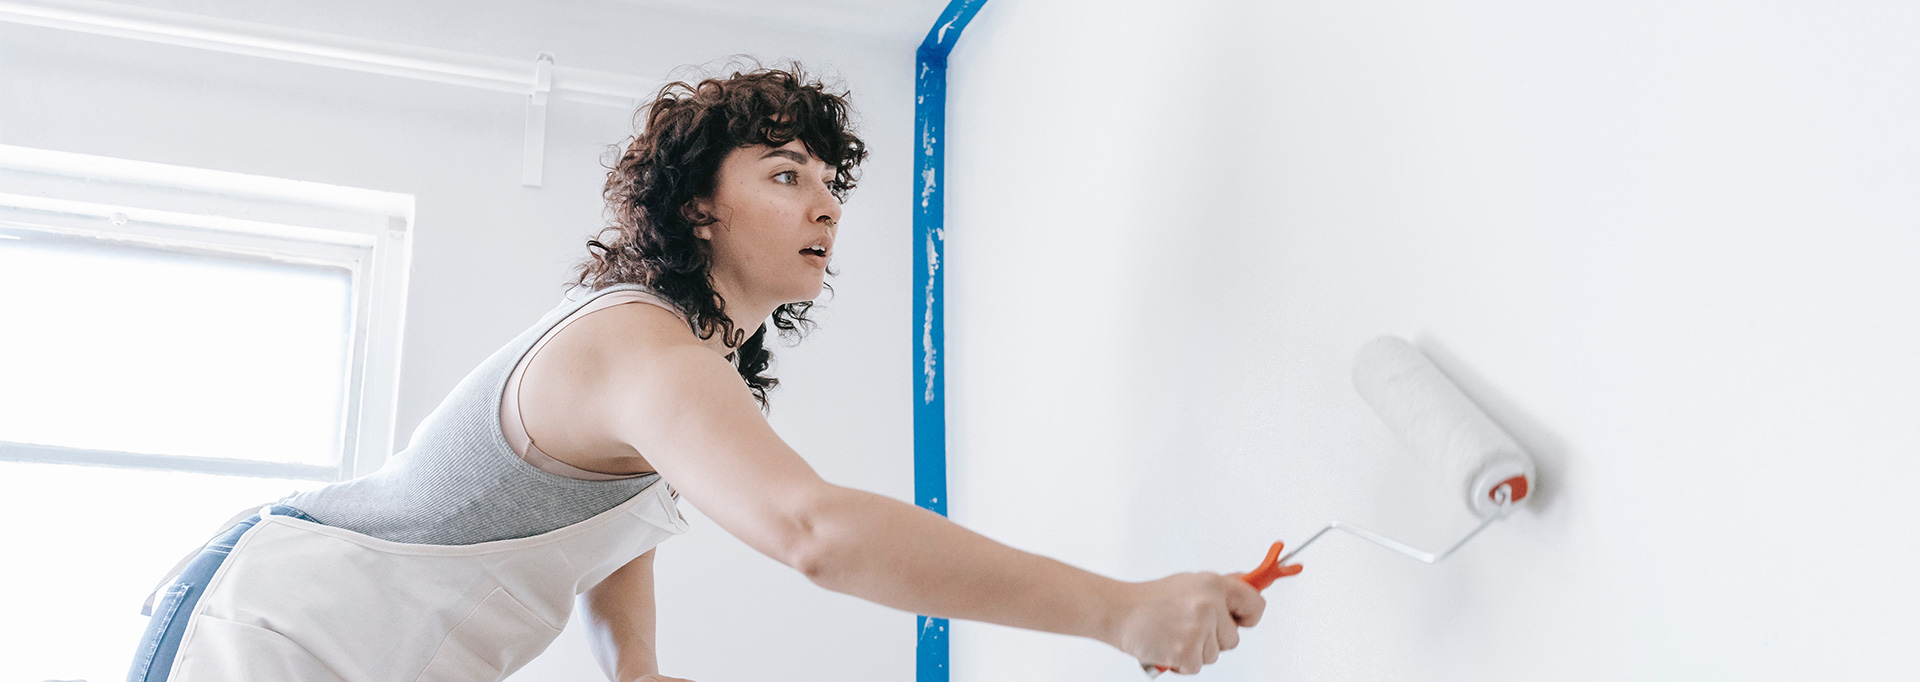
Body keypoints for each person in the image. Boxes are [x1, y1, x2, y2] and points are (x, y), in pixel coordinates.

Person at [125, 64, 1283, 682]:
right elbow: (816, 530)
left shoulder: (684, 370)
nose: (826, 201)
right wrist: (1118, 608)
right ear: (696, 206)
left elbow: (608, 526)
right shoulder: (635, 340)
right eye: (785, 172)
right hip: (278, 636)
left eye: (832, 183)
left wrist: (636, 663)